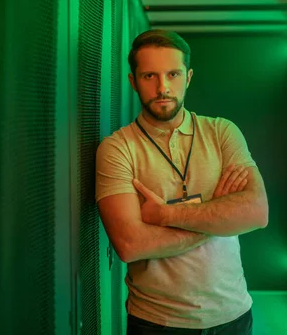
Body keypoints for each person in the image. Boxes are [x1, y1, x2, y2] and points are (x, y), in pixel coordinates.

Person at [95, 29, 269, 335]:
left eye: (172, 74)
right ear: (133, 81)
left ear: (187, 77)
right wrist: (218, 216)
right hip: (156, 322)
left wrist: (165, 215)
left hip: (234, 315)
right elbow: (130, 245)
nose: (163, 87)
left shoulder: (222, 133)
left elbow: (256, 212)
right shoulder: (116, 149)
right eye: (149, 76)